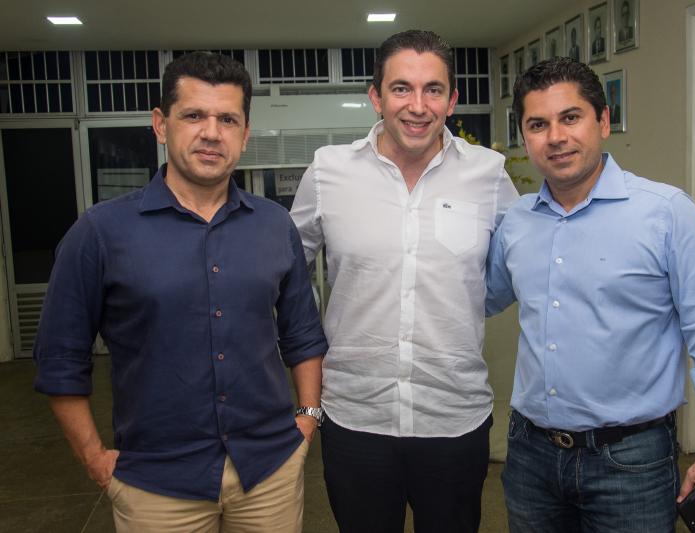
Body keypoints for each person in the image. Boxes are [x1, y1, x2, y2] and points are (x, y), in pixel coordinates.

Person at [33, 51, 327, 533]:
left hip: (270, 473)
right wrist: (95, 460)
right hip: (156, 484)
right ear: (160, 124)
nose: (211, 132)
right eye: (194, 115)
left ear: (245, 134)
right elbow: (60, 359)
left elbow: (303, 334)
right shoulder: (101, 232)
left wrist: (307, 419)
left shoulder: (274, 226)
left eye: (227, 119)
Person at [486, 57, 695, 532]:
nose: (556, 137)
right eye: (538, 125)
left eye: (571, 117)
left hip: (631, 462)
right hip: (530, 457)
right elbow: (478, 298)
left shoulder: (666, 214)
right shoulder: (517, 223)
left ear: (603, 121)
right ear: (524, 138)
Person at [291, 29, 518, 533]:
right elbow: (285, 273)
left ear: (452, 100)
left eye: (433, 89)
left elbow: (514, 268)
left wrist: (461, 304)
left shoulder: (489, 174)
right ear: (376, 97)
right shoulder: (328, 172)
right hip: (356, 417)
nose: (418, 106)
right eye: (401, 89)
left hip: (453, 416)